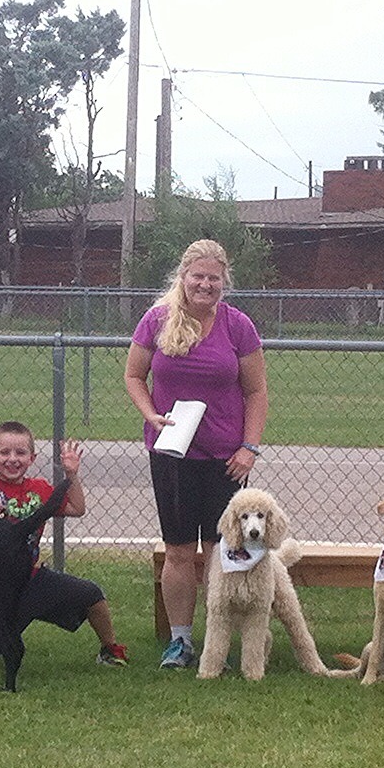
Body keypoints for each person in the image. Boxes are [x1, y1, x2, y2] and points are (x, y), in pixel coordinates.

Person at [123, 239, 268, 671]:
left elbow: (257, 391)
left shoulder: (237, 326)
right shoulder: (157, 320)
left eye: (213, 278)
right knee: (180, 550)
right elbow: (134, 375)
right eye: (197, 277)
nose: (205, 285)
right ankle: (181, 641)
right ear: (183, 278)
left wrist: (249, 446)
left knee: (224, 550)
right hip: (171, 453)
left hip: (226, 457)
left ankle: (220, 643)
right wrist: (151, 414)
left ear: (224, 282)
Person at [0, 423, 128, 666]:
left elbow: (77, 509)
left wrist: (72, 475)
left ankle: (110, 650)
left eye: (21, 453)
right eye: (5, 453)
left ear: (32, 458)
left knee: (92, 594)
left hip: (30, 580)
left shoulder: (40, 489)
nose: (12, 459)